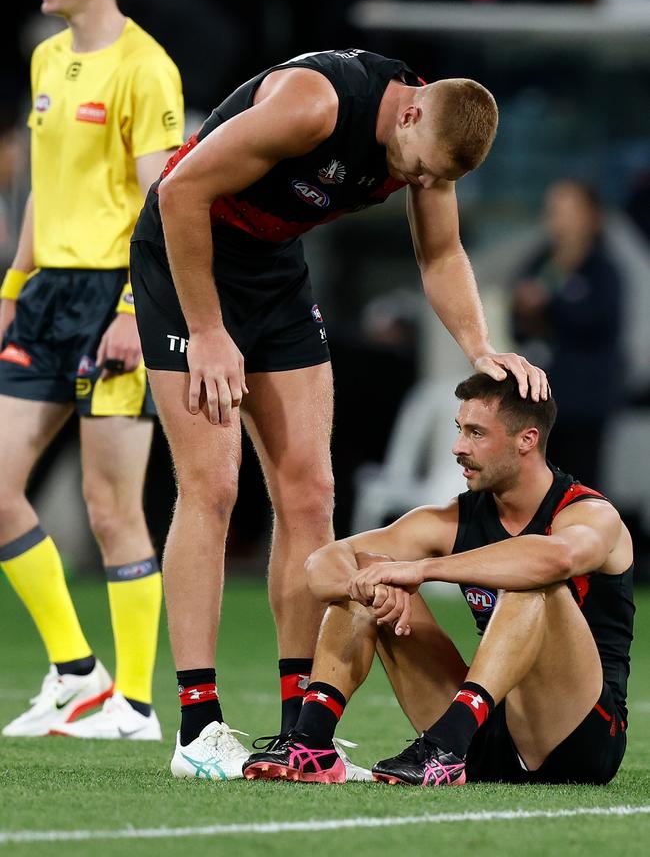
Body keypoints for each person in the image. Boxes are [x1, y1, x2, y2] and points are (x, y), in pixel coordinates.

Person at [130, 47, 548, 780]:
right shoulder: (316, 103)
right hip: (185, 262)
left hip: (273, 265)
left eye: (434, 179)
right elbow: (178, 191)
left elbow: (441, 253)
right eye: (421, 170)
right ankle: (198, 728)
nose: (419, 184)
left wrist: (482, 347)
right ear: (409, 111)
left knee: (311, 491)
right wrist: (206, 332)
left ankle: (302, 732)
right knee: (214, 487)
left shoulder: (430, 140)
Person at [243, 371, 633, 785]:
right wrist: (371, 585)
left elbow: (555, 558)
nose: (458, 447)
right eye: (459, 430)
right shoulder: (455, 517)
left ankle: (444, 746)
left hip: (579, 740)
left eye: (476, 433)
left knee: (532, 584)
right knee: (370, 568)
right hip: (483, 730)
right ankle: (311, 744)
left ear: (527, 440)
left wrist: (421, 569)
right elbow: (322, 564)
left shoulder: (592, 514)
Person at [0, 0, 184, 740]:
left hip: (114, 295)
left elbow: (161, 205)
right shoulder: (45, 60)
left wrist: (131, 313)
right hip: (45, 296)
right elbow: (42, 182)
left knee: (112, 506)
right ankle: (77, 673)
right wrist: (13, 280)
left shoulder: (147, 68)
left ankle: (137, 706)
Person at [511, 178, 624, 489]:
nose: (558, 219)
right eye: (553, 210)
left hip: (585, 402)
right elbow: (518, 325)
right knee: (537, 490)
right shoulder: (539, 262)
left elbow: (596, 322)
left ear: (591, 216)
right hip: (539, 404)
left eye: (568, 210)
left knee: (580, 488)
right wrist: (526, 311)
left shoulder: (603, 270)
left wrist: (550, 306)